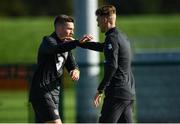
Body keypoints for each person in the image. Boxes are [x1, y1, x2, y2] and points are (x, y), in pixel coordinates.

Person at [78, 5, 136, 123]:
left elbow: (112, 66)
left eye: (98, 20)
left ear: (105, 19)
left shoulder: (112, 38)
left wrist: (100, 90)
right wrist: (81, 44)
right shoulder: (121, 36)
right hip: (128, 93)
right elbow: (103, 47)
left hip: (116, 93)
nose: (97, 24)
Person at [29, 15, 84, 123]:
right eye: (69, 29)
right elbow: (56, 49)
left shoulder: (66, 46)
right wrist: (76, 43)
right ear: (59, 28)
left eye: (73, 29)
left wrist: (75, 71)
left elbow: (73, 65)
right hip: (42, 91)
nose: (72, 32)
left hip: (54, 92)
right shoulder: (48, 41)